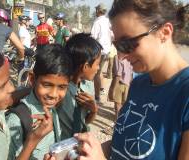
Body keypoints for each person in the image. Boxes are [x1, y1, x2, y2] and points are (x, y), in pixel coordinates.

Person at [64, 0, 189, 160]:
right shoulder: (139, 83)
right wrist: (84, 152)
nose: (121, 56)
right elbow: (122, 144)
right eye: (118, 46)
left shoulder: (184, 94)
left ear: (164, 32)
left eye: (128, 44)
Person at [0, 46, 52, 160]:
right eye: (1, 87)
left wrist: (37, 88)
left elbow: (13, 96)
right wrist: (31, 142)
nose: (11, 88)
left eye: (9, 80)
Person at [6, 44, 73, 160]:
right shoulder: (17, 119)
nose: (53, 94)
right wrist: (33, 140)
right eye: (47, 85)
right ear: (32, 79)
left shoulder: (52, 106)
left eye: (62, 87)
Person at [56, 33, 102, 140]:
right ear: (85, 67)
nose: (98, 68)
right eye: (97, 64)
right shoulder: (60, 90)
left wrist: (94, 110)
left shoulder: (88, 86)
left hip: (79, 142)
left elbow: (84, 122)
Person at [91, 3, 112, 102]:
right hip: (107, 50)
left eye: (96, 10)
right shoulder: (108, 21)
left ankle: (97, 96)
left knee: (95, 73)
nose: (95, 12)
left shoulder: (97, 22)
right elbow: (112, 35)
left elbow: (93, 37)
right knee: (99, 72)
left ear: (98, 11)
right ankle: (102, 89)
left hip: (99, 51)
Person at [108, 52, 133, 121]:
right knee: (124, 104)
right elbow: (131, 74)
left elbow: (118, 75)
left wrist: (112, 89)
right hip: (127, 84)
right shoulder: (129, 56)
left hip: (119, 83)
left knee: (117, 105)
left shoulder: (117, 57)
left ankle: (117, 123)